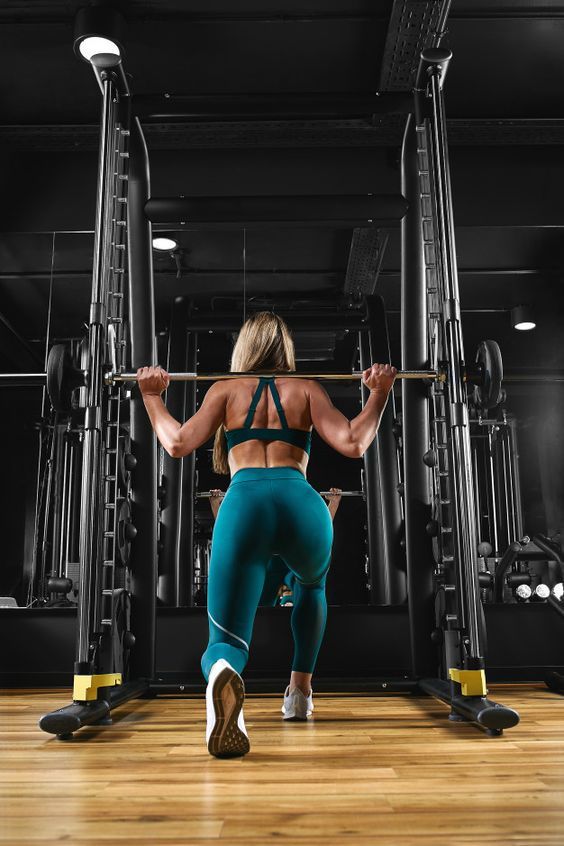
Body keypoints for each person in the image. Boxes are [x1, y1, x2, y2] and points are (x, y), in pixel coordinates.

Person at [137, 311, 396, 758]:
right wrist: (379, 394)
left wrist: (152, 396)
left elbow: (177, 443)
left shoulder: (224, 390)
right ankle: (299, 694)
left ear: (244, 348)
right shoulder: (307, 388)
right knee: (312, 588)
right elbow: (354, 442)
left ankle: (223, 673)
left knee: (225, 638)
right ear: (286, 350)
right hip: (302, 504)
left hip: (244, 506)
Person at [207, 487, 342, 606]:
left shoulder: (290, 527)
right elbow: (227, 535)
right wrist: (334, 503)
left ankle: (292, 607)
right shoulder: (261, 530)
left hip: (288, 566)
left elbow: (322, 533)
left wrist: (215, 504)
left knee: (304, 594)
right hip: (273, 567)